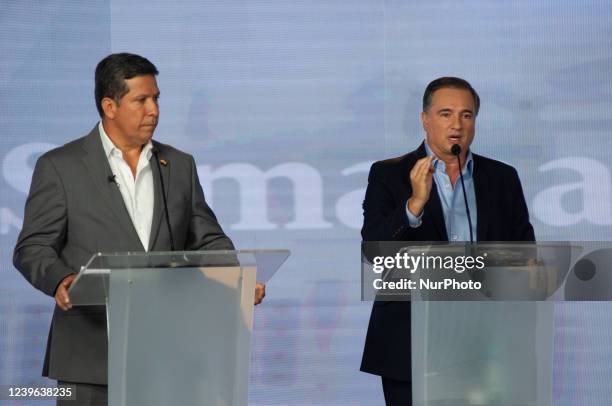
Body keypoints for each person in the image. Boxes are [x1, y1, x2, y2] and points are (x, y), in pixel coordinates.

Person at [13, 53, 265, 405]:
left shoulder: (178, 164)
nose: (154, 110)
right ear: (109, 106)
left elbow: (207, 237)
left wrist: (235, 279)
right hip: (91, 352)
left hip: (168, 351)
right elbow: (33, 247)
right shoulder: (60, 166)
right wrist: (60, 279)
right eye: (141, 100)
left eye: (156, 98)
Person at [360, 77, 535, 405]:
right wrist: (413, 206)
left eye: (466, 115)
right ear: (425, 119)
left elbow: (526, 252)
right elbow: (374, 253)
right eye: (445, 113)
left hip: (487, 342)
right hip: (411, 341)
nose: (457, 124)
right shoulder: (389, 174)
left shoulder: (502, 177)